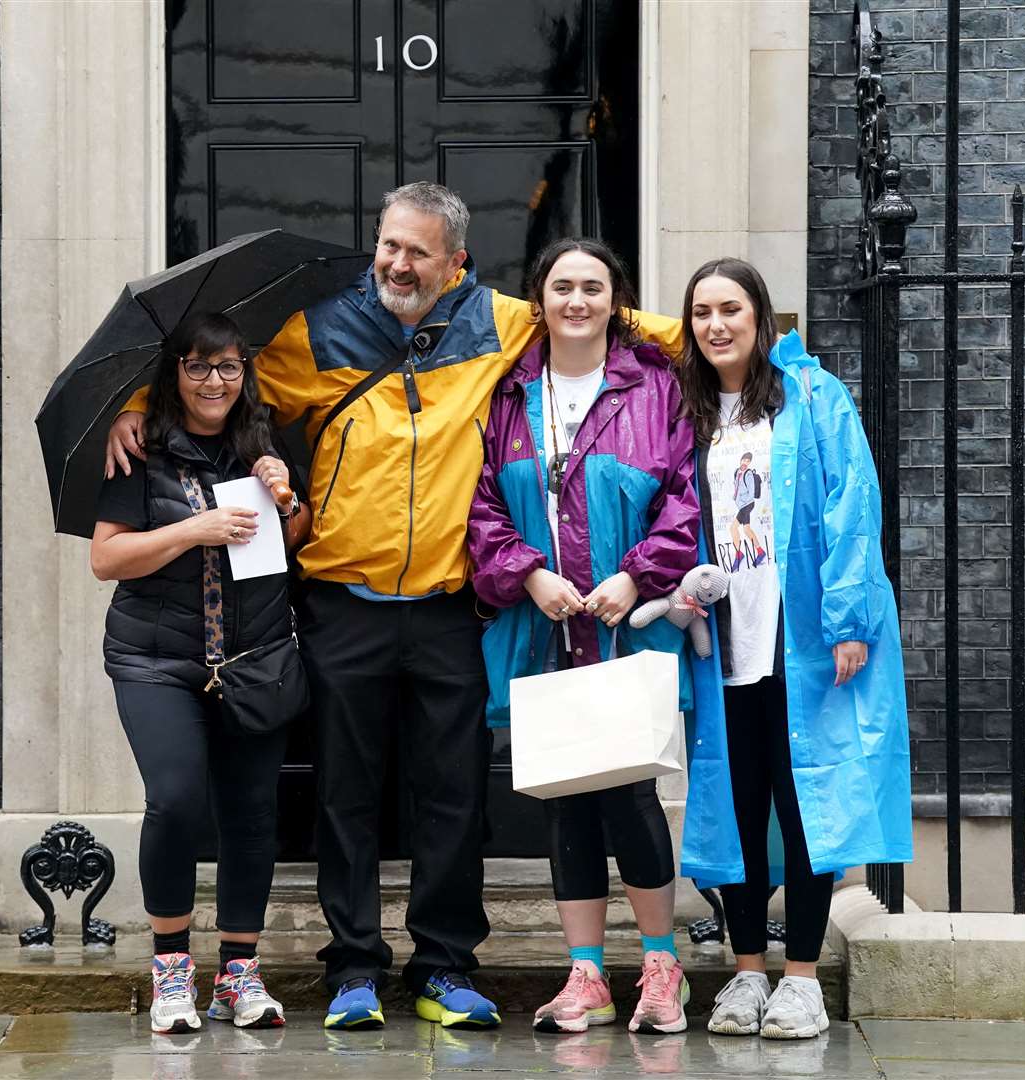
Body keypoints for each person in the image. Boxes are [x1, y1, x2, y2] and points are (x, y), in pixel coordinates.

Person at [106, 182, 683, 1031]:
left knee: (453, 796)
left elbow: (627, 325)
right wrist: (130, 409)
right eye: (387, 245)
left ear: (455, 260)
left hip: (452, 605)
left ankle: (445, 968)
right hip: (343, 601)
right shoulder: (321, 329)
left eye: (416, 251)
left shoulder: (503, 319)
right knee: (346, 794)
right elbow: (214, 376)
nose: (396, 264)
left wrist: (751, 345)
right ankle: (352, 972)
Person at [669, 258, 911, 1041]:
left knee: (804, 801)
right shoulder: (687, 410)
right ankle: (745, 972)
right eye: (700, 311)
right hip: (719, 640)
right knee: (735, 805)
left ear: (760, 316)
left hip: (797, 633)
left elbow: (850, 503)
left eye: (730, 308)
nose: (715, 325)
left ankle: (799, 977)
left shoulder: (812, 397)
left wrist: (846, 619)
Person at [466, 238, 701, 1036]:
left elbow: (680, 498)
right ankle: (587, 975)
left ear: (614, 301)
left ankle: (661, 968)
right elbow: (481, 506)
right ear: (540, 300)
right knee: (565, 796)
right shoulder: (505, 394)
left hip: (625, 627)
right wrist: (528, 573)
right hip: (543, 625)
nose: (575, 301)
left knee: (630, 794)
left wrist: (635, 575)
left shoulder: (652, 386)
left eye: (591, 288)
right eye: (561, 287)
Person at [89, 312, 311, 1034]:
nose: (213, 382)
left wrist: (285, 492)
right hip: (155, 659)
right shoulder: (138, 448)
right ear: (173, 373)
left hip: (255, 660)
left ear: (243, 373)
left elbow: (298, 540)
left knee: (251, 815)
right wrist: (193, 528)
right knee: (177, 801)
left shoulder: (269, 440)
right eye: (196, 367)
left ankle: (239, 976)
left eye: (226, 368)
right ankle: (173, 973)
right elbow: (106, 559)